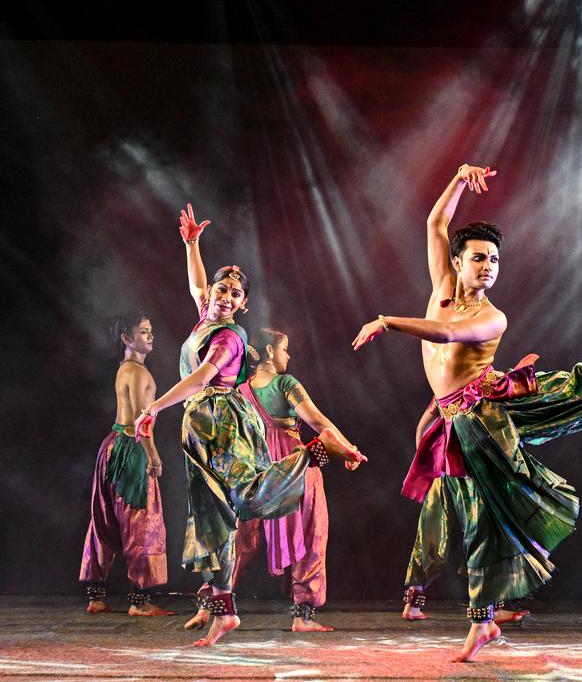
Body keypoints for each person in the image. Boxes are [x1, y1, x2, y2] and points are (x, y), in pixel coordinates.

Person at [353, 163, 582, 662]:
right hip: (455, 420)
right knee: (472, 515)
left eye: (495, 260)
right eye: (479, 258)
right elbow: (436, 225)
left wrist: (387, 321)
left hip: (492, 412)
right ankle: (483, 619)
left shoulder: (490, 315)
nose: (488, 267)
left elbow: (448, 336)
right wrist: (458, 178)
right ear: (457, 263)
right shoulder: (439, 290)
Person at [134, 204, 367, 647]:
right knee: (210, 516)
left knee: (244, 497)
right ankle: (224, 610)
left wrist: (155, 407)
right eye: (220, 289)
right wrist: (191, 243)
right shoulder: (205, 316)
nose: (223, 296)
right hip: (197, 426)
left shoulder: (230, 336)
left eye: (233, 294)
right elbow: (197, 284)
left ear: (243, 304)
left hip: (222, 419)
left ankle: (316, 452)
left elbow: (203, 377)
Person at [182, 328, 362, 633]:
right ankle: (302, 616)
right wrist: (349, 449)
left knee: (240, 540)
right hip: (293, 468)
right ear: (268, 351)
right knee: (310, 535)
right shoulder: (286, 383)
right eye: (285, 349)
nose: (288, 356)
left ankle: (209, 606)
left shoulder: (240, 389)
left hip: (255, 466)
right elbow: (317, 421)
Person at [79, 312, 174, 617]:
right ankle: (139, 600)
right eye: (143, 332)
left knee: (104, 519)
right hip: (131, 448)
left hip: (111, 447)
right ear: (126, 339)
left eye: (150, 330)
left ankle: (96, 597)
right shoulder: (137, 373)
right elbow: (139, 420)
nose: (150, 336)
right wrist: (153, 455)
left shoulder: (125, 369)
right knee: (140, 521)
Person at [401, 401, 530, 626]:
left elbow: (423, 425)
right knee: (483, 534)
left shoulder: (446, 386)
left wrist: (428, 460)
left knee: (433, 532)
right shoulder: (476, 387)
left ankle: (413, 603)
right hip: (467, 473)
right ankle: (491, 607)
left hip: (446, 469)